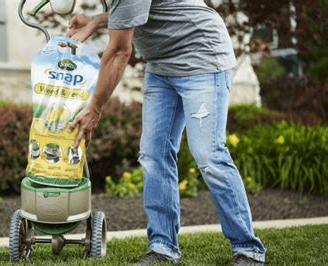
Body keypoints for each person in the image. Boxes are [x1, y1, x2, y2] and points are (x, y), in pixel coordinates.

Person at [66, 0, 266, 265]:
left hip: (202, 60)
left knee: (209, 155)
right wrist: (96, 21)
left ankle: (247, 248)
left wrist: (95, 109)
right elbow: (138, 11)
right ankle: (163, 246)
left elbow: (118, 52)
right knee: (153, 155)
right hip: (162, 68)